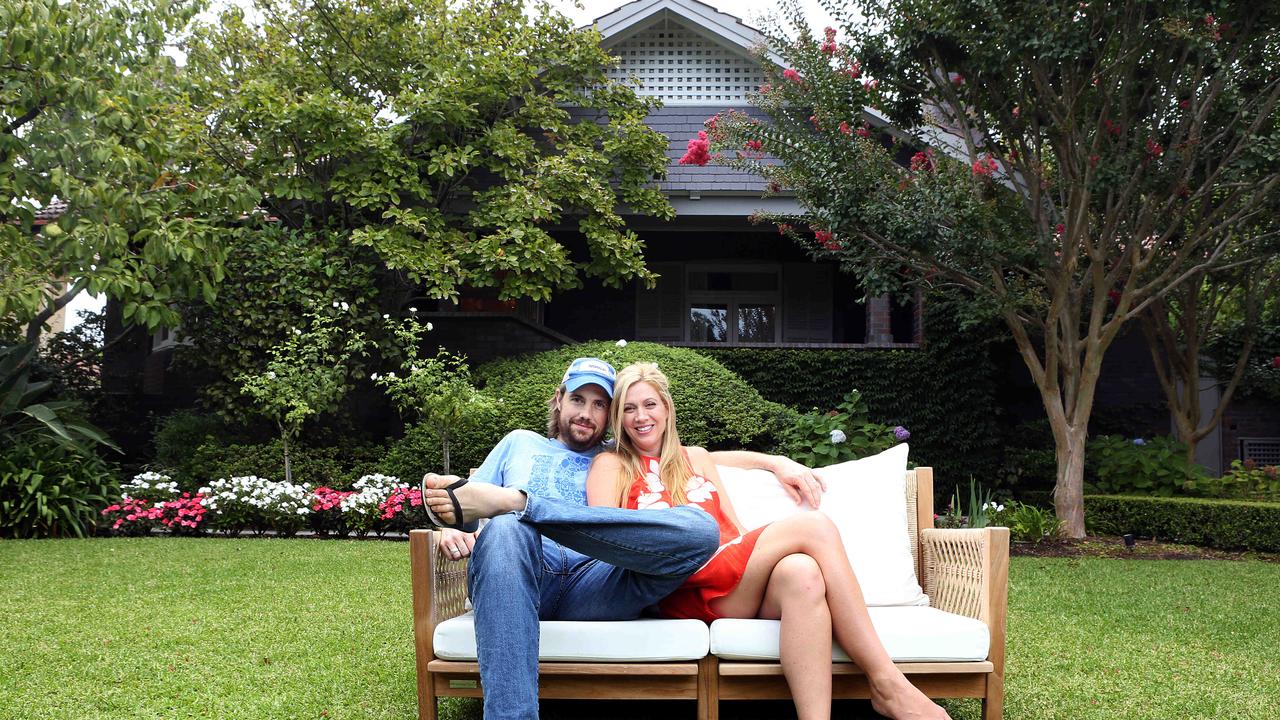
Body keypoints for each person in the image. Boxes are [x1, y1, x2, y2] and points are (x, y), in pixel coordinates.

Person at [421, 357, 823, 720]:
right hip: (520, 573)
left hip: (596, 580)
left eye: (601, 405)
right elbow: (459, 503)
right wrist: (452, 529)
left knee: (699, 527)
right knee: (507, 526)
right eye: (579, 399)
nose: (587, 413)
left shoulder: (618, 455)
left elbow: (700, 456)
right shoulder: (519, 443)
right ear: (559, 399)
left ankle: (520, 503)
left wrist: (774, 461)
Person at [585, 363, 951, 720]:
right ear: (619, 417)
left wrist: (776, 462)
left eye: (649, 404)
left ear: (667, 408)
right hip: (677, 583)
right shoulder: (611, 465)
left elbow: (734, 525)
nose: (640, 416)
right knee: (814, 527)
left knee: (802, 574)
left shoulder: (694, 458)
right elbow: (602, 539)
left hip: (733, 579)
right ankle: (887, 683)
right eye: (629, 408)